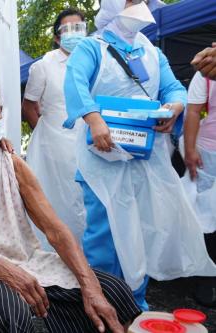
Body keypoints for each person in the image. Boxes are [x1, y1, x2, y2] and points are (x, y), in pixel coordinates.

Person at [0, 69, 142, 333]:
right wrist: (2, 270)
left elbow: (55, 230)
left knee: (113, 292)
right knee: (7, 309)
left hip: (28, 263)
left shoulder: (11, 163)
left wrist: (90, 285)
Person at [63, 0, 216, 311]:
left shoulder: (150, 50)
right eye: (132, 0)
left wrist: (174, 107)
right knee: (104, 235)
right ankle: (104, 304)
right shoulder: (91, 48)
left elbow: (174, 88)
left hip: (147, 158)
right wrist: (93, 118)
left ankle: (134, 303)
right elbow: (75, 83)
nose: (140, 6)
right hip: (102, 159)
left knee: (142, 229)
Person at [22, 9, 87, 247]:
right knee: (58, 203)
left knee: (86, 206)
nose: (74, 35)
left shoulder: (97, 62)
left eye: (79, 28)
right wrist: (48, 132)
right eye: (67, 30)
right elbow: (29, 106)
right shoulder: (44, 65)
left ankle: (91, 264)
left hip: (89, 143)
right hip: (52, 149)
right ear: (58, 37)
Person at [181, 70, 216, 307]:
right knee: (207, 215)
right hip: (208, 151)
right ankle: (207, 278)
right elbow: (193, 111)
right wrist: (191, 149)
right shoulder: (206, 73)